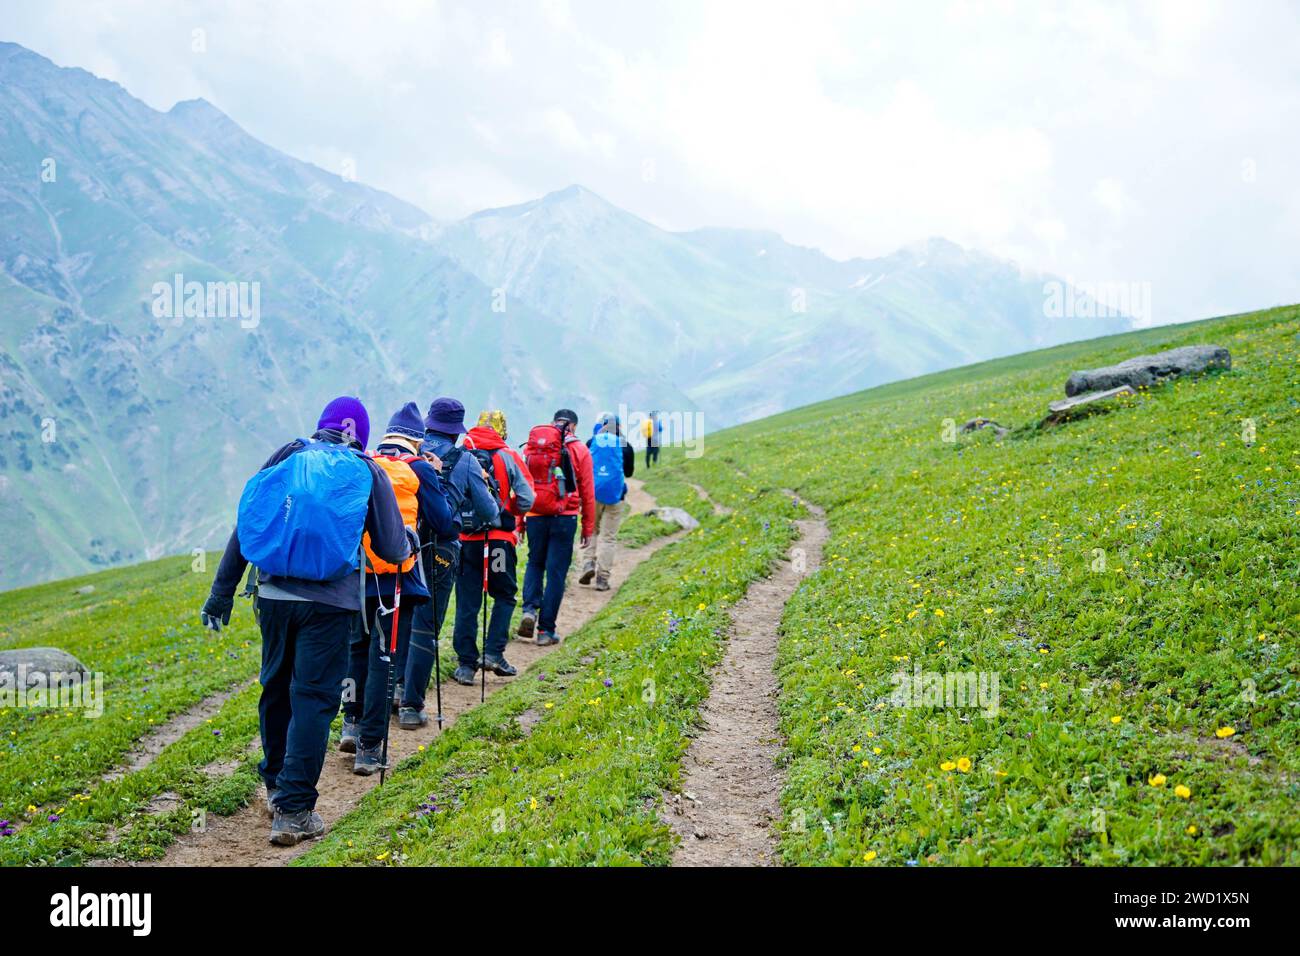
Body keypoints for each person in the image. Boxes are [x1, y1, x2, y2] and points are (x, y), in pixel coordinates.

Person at [199, 396, 412, 846]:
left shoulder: (287, 455)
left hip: (272, 596)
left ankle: (276, 784)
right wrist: (408, 539)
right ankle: (295, 812)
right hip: (330, 604)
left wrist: (220, 595)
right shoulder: (366, 468)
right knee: (313, 699)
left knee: (275, 687)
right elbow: (392, 550)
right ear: (361, 433)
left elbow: (248, 527)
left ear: (322, 426)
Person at [339, 403, 455, 773]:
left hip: (358, 575)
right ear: (416, 441)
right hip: (399, 578)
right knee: (385, 660)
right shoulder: (419, 468)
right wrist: (439, 478)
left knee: (356, 650)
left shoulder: (365, 462)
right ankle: (370, 749)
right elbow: (445, 524)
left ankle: (351, 723)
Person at [397, 397, 500, 722]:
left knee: (397, 620)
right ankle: (412, 707)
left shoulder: (407, 450)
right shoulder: (465, 460)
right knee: (426, 626)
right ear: (457, 430)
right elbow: (490, 512)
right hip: (441, 549)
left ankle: (389, 693)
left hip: (399, 545)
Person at [449, 410, 534, 684]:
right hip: (497, 541)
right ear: (502, 429)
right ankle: (493, 653)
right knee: (505, 594)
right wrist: (506, 510)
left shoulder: (459, 453)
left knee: (467, 601)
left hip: (466, 542)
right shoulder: (507, 454)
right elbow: (527, 498)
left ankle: (465, 665)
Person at [518, 408, 595, 645]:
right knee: (556, 573)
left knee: (534, 562)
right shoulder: (579, 449)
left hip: (535, 514)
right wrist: (587, 527)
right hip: (565, 517)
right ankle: (545, 631)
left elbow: (522, 486)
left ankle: (529, 610)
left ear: (554, 423)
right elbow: (587, 491)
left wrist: (519, 521)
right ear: (573, 426)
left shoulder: (533, 447)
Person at [579, 413, 635, 591]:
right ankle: (602, 578)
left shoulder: (591, 442)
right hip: (615, 497)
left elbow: (584, 469)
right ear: (619, 427)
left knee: (592, 531)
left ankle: (588, 564)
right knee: (609, 537)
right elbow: (628, 473)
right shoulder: (625, 446)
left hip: (592, 495)